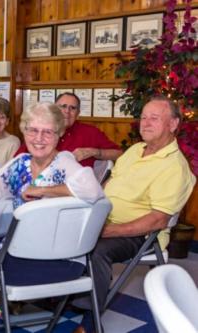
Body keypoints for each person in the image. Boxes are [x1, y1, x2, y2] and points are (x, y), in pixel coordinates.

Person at [0, 102, 104, 333]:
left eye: (47, 131)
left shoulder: (65, 163)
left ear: (58, 134)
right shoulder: (22, 163)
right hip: (24, 252)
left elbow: (93, 191)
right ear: (24, 131)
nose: (39, 138)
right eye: (33, 130)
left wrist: (43, 190)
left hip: (60, 260)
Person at [74, 96, 196, 333]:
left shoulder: (174, 167)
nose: (146, 123)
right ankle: (57, 295)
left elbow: (157, 220)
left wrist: (106, 230)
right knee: (57, 229)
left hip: (140, 234)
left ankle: (88, 323)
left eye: (154, 118)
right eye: (143, 117)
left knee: (94, 249)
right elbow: (109, 184)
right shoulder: (135, 150)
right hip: (104, 219)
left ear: (173, 124)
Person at [14, 92, 122, 167]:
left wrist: (93, 152)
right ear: (54, 110)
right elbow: (16, 161)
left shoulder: (91, 132)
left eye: (72, 108)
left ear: (78, 113)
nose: (67, 111)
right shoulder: (40, 131)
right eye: (63, 106)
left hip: (76, 194)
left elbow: (119, 153)